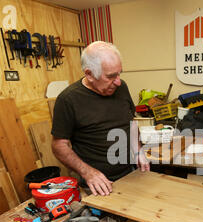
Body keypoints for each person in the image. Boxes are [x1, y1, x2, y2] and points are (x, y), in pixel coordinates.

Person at [51, 41, 149, 196]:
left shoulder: (121, 87)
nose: (117, 81)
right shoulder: (68, 100)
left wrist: (138, 151)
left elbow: (131, 122)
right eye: (110, 76)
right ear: (89, 74)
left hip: (130, 173)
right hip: (99, 183)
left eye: (119, 74)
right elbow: (59, 145)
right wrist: (88, 173)